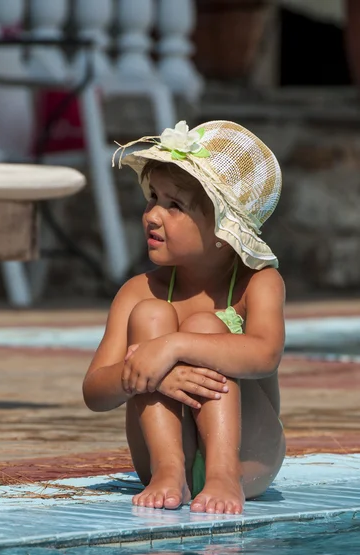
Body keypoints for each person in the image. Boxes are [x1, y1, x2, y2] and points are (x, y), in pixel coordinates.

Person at [83, 120, 286, 515]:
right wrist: (149, 372)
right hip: (157, 465)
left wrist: (173, 347)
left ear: (224, 231)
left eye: (174, 205)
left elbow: (265, 355)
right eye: (153, 197)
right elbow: (94, 391)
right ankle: (170, 469)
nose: (153, 215)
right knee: (151, 315)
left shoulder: (258, 283)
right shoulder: (138, 290)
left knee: (206, 327)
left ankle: (222, 474)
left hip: (249, 458)